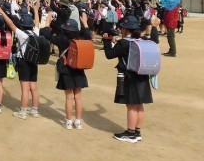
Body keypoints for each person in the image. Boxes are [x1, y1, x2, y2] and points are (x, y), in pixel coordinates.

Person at [102, 14, 159, 143]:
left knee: (131, 105)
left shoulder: (123, 43)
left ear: (126, 29)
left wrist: (106, 41)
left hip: (129, 77)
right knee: (139, 105)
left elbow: (109, 55)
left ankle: (130, 133)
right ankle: (137, 132)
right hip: (142, 75)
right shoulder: (142, 40)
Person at [41, 15, 90, 130]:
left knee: (69, 97)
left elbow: (46, 34)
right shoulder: (80, 39)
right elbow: (88, 35)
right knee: (78, 97)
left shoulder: (61, 39)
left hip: (66, 69)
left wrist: (47, 22)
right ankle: (78, 122)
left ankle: (68, 122)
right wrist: (85, 23)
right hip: (79, 69)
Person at [0, 3, 41, 119]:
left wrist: (2, 12)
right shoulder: (35, 33)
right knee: (34, 87)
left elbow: (10, 24)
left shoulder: (22, 34)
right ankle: (34, 110)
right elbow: (37, 23)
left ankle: (23, 111)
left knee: (25, 88)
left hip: (23, 62)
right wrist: (36, 11)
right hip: (33, 61)